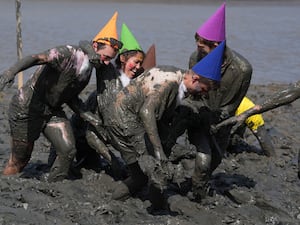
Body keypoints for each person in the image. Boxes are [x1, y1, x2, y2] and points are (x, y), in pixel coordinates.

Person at [0, 12, 123, 182]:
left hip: (52, 111)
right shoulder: (68, 54)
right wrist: (11, 71)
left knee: (67, 150)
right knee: (20, 159)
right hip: (27, 106)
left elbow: (69, 97)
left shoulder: (88, 71)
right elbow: (36, 58)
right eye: (106, 57)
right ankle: (6, 182)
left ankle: (53, 184)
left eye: (111, 59)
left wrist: (90, 118)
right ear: (95, 46)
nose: (107, 62)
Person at [96, 41, 225, 201]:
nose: (204, 95)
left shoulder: (179, 78)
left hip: (124, 116)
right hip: (124, 119)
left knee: (143, 173)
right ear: (195, 79)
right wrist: (158, 151)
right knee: (153, 170)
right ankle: (155, 205)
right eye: (204, 90)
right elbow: (146, 111)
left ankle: (124, 201)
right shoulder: (170, 82)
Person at [188, 2, 274, 157]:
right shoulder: (196, 58)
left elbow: (235, 103)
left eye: (201, 47)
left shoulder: (242, 69)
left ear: (215, 45)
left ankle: (271, 155)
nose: (197, 50)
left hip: (234, 103)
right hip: (207, 103)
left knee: (254, 120)